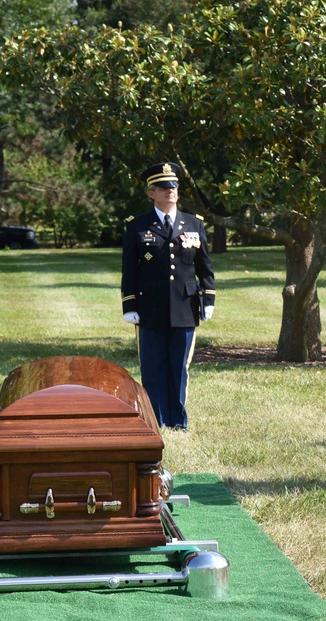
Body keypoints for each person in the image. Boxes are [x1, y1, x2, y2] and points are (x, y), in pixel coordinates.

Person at [121, 161, 215, 430]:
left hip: (185, 307)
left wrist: (208, 299)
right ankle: (156, 420)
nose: (170, 191)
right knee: (152, 368)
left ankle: (178, 421)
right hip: (150, 308)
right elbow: (129, 270)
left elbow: (204, 267)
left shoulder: (194, 224)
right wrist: (129, 304)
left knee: (179, 369)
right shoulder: (137, 226)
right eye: (163, 187)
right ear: (151, 193)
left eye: (173, 186)